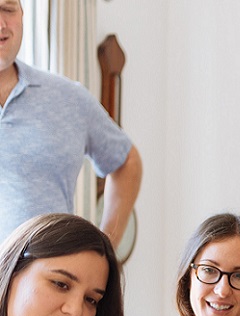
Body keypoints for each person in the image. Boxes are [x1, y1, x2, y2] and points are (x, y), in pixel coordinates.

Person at [0, 0, 143, 248]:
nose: (1, 23)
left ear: (22, 14)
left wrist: (105, 250)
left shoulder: (68, 97)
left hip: (50, 279)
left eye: (8, 9)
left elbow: (127, 162)